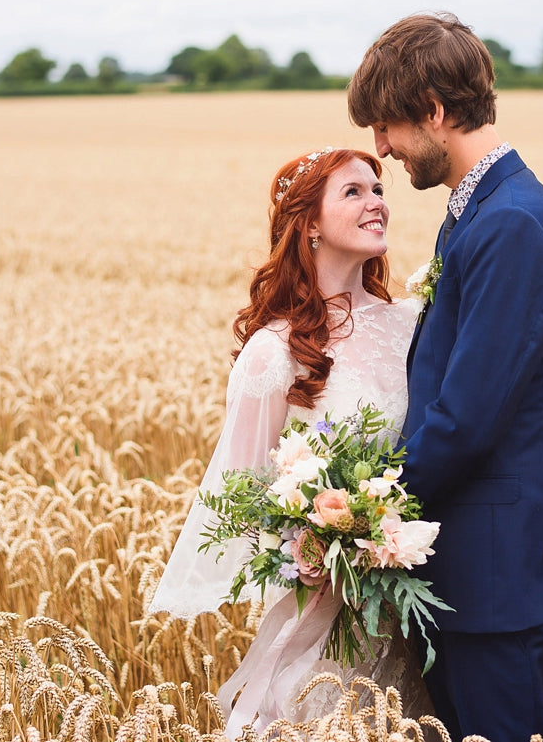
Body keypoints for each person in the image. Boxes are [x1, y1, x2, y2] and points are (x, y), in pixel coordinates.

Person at [347, 12, 543, 742]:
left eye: (388, 127)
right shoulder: (479, 212)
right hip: (481, 579)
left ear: (435, 110)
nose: (382, 150)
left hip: (505, 585)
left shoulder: (510, 222)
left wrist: (359, 514)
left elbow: (467, 419)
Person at [147, 147, 433, 733]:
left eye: (378, 189)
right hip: (329, 616)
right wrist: (312, 546)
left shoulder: (412, 322)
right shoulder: (274, 353)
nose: (376, 201)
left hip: (420, 601)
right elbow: (244, 492)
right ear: (308, 225)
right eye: (353, 192)